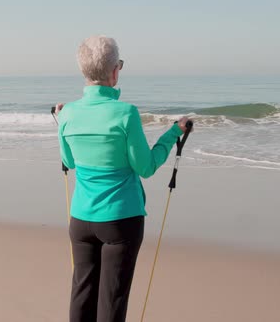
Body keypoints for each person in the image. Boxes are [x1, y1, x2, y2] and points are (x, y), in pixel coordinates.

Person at [55, 35, 190, 322]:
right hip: (120, 221)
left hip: (80, 219)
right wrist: (173, 133)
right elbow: (146, 167)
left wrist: (61, 119)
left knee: (82, 293)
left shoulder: (67, 113)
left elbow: (68, 161)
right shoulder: (125, 113)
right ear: (115, 70)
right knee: (112, 300)